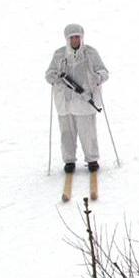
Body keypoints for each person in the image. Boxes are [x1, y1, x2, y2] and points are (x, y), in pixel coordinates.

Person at [45, 24, 109, 173]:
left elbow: (104, 72)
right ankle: (69, 161)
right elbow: (49, 74)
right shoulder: (59, 55)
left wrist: (97, 78)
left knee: (88, 132)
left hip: (85, 100)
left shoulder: (91, 53)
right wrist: (55, 78)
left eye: (77, 37)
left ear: (82, 37)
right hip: (65, 101)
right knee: (67, 133)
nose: (74, 40)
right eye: (71, 37)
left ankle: (92, 159)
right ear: (67, 39)